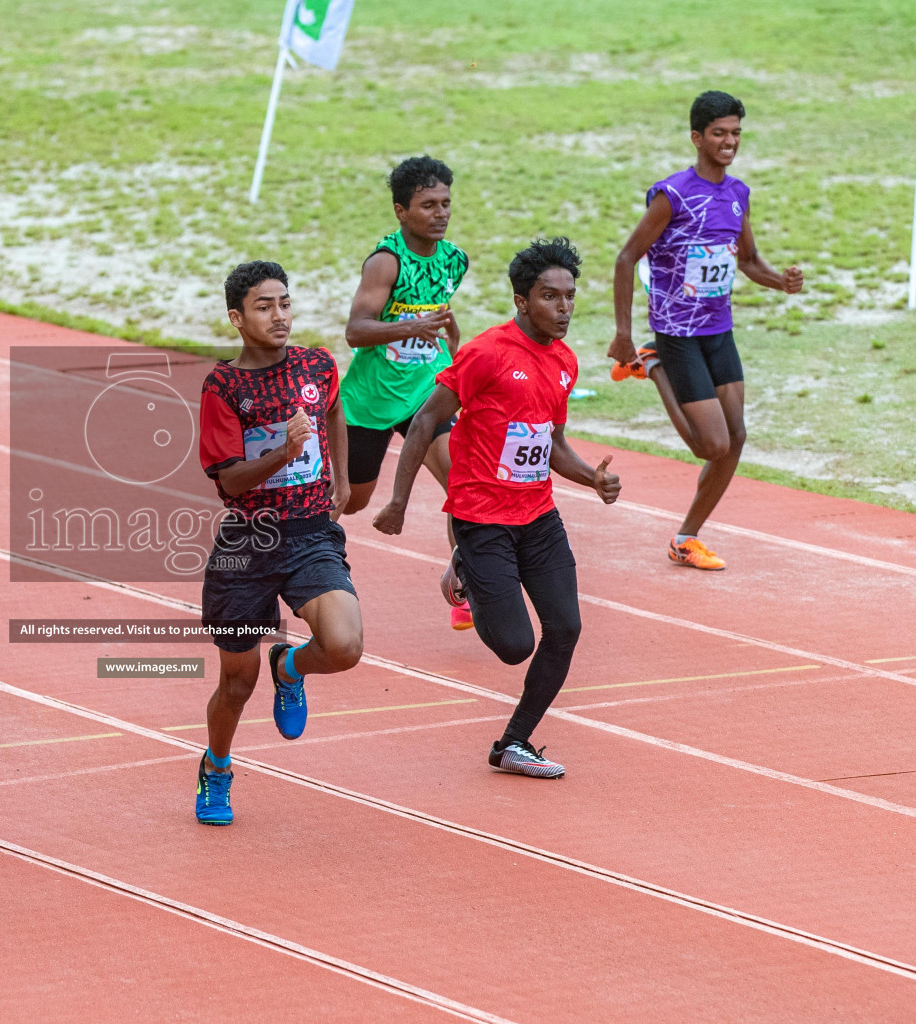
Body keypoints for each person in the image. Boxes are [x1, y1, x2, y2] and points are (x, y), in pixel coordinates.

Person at [373, 239, 621, 778]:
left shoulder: (565, 363)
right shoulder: (486, 352)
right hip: (482, 519)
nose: (564, 308)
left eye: (571, 297)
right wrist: (398, 500)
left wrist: (592, 479)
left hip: (538, 517)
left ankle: (514, 743)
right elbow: (422, 422)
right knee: (514, 646)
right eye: (550, 297)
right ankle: (466, 565)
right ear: (521, 300)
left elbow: (550, 444)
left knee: (566, 629)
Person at [194, 261, 363, 824]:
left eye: (285, 303)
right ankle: (216, 767)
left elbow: (333, 410)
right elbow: (230, 480)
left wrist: (340, 475)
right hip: (248, 542)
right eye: (264, 307)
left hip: (311, 532)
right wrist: (284, 455)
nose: (280, 316)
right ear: (237, 319)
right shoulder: (223, 387)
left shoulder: (317, 364)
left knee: (344, 646)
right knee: (236, 684)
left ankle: (290, 667)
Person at [608, 90, 803, 570]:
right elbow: (626, 258)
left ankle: (686, 538)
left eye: (736, 132)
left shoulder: (737, 195)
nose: (729, 141)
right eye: (719, 133)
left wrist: (782, 282)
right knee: (710, 444)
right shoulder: (671, 195)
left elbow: (750, 261)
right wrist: (624, 334)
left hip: (719, 331)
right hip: (676, 333)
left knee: (735, 439)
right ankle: (652, 366)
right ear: (697, 138)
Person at [339, 155, 472, 630]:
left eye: (446, 204)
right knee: (350, 501)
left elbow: (442, 311)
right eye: (427, 205)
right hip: (371, 399)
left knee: (463, 486)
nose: (440, 213)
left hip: (425, 391)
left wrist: (452, 351)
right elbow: (356, 331)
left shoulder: (455, 260)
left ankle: (465, 582)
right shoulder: (385, 261)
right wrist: (414, 325)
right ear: (401, 210)